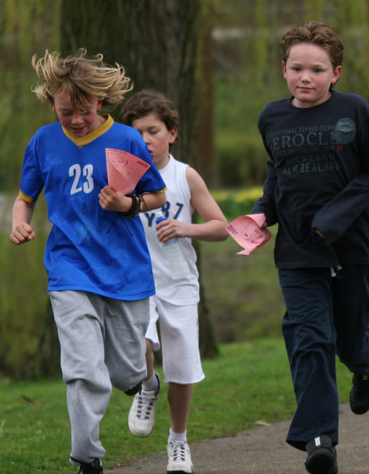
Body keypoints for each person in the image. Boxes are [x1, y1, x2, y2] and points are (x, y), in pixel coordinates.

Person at [9, 50, 167, 474]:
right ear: (52, 105)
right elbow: (25, 199)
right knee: (82, 369)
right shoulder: (43, 142)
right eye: (66, 113)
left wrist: (126, 204)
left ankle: (146, 381)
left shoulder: (127, 140)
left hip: (125, 271)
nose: (76, 120)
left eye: (84, 111)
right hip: (69, 268)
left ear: (100, 101)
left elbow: (157, 196)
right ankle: (86, 458)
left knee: (126, 373)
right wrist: (19, 223)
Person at [251, 21, 369, 474]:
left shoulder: (354, 110)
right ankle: (319, 438)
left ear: (336, 73)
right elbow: (276, 174)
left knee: (348, 337)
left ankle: (368, 360)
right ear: (283, 69)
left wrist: (331, 220)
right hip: (296, 252)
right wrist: (261, 214)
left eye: (316, 70)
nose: (305, 78)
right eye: (296, 68)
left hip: (353, 246)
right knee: (310, 338)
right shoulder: (271, 118)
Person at [120, 90, 230, 474]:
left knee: (182, 370)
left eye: (153, 131)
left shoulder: (185, 176)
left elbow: (222, 227)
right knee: (141, 343)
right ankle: (148, 384)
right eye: (138, 133)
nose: (146, 140)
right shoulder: (123, 177)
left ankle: (178, 441)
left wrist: (186, 228)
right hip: (137, 280)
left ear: (172, 133)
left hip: (179, 281)